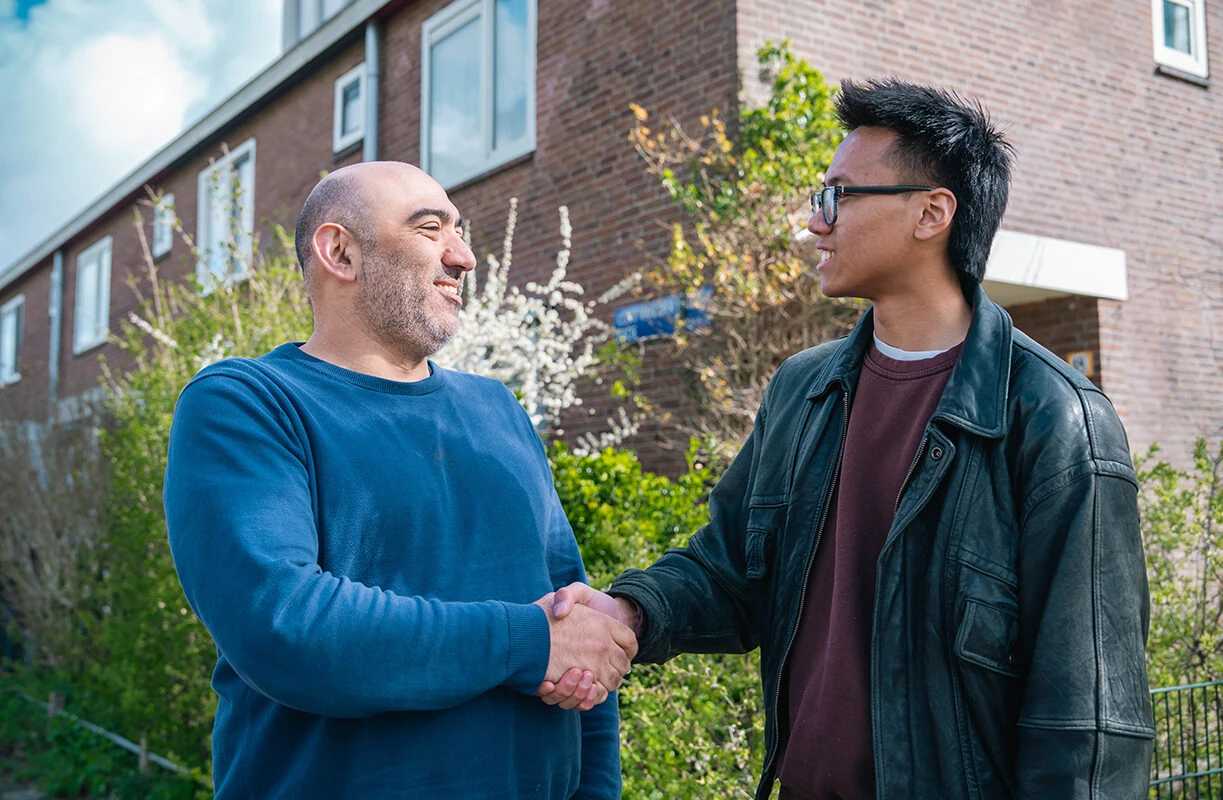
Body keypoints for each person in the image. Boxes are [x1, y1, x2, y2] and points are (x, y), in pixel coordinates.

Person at [542, 79, 1155, 798]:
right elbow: (730, 570)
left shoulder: (1054, 418)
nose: (813, 222)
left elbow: (1088, 722)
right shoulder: (802, 391)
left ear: (932, 212)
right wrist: (627, 612)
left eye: (837, 196)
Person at [164, 161, 635, 799]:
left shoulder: (499, 411)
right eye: (429, 228)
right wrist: (525, 642)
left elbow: (573, 620)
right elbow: (287, 626)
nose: (464, 256)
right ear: (340, 252)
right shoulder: (247, 404)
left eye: (460, 230)